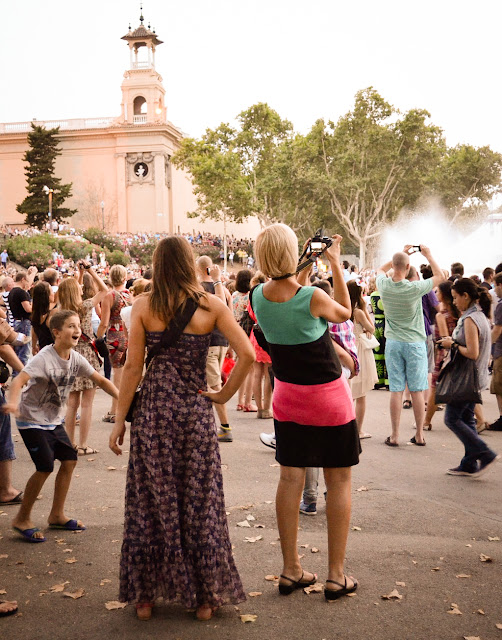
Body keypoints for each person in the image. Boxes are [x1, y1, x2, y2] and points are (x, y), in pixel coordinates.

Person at [109, 236, 255, 621]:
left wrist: (119, 421)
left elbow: (133, 368)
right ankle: (204, 599)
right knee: (199, 501)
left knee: (150, 500)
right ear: (191, 264)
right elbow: (249, 354)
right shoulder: (211, 305)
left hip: (154, 412)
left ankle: (145, 597)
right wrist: (222, 395)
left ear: (157, 265)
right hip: (193, 411)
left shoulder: (143, 306)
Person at [252, 224, 360, 601]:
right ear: (291, 252)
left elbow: (287, 293)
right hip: (327, 398)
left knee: (289, 481)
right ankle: (336, 575)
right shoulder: (313, 296)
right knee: (339, 483)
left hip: (288, 398)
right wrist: (334, 263)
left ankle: (291, 568)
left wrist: (306, 264)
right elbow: (344, 313)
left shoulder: (256, 297)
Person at [3, 310, 118, 542]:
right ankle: (21, 518)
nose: (77, 331)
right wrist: (13, 403)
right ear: (56, 332)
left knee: (69, 460)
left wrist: (124, 403)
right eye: (70, 326)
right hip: (31, 420)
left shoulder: (76, 358)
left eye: (78, 326)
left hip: (52, 421)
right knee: (45, 466)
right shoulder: (44, 357)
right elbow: (19, 380)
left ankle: (56, 515)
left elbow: (102, 380)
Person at [376, 246, 443, 447]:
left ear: (394, 266)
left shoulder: (384, 285)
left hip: (394, 342)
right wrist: (428, 254)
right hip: (415, 344)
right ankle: (420, 434)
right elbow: (440, 276)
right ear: (408, 267)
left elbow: (380, 269)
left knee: (396, 389)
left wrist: (399, 252)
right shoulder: (414, 288)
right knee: (416, 390)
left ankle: (395, 435)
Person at [437, 279, 499, 476]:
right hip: (475, 377)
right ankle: (469, 463)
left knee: (452, 419)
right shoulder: (480, 315)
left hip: (467, 378)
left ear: (466, 296)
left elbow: (472, 352)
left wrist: (452, 344)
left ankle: (485, 453)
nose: (454, 302)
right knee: (466, 418)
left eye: (456, 298)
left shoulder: (471, 319)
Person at [59, 263, 109, 454]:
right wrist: (89, 271)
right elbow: (104, 290)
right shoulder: (86, 305)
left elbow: (73, 292)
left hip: (69, 356)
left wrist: (78, 275)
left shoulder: (62, 310)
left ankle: (70, 444)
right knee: (87, 404)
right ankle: (83, 444)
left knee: (72, 404)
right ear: (77, 291)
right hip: (87, 355)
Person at [196, 256, 235, 441]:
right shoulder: (225, 291)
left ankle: (225, 426)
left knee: (214, 385)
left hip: (209, 343)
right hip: (221, 342)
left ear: (200, 269)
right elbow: (231, 317)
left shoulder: (200, 290)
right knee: (209, 382)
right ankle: (206, 423)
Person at [97, 265, 131, 423]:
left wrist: (97, 337)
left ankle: (115, 410)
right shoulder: (129, 294)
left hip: (114, 336)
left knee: (117, 375)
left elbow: (104, 322)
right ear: (125, 277)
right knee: (126, 374)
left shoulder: (109, 296)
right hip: (128, 335)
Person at [423, 281, 458, 430]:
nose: (435, 294)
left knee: (435, 389)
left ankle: (426, 422)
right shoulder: (458, 313)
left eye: (437, 292)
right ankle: (475, 418)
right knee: (460, 387)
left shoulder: (441, 315)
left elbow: (444, 337)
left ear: (443, 295)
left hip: (444, 356)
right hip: (459, 353)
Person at [347, 280, 378, 439]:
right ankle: (358, 430)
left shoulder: (346, 309)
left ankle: (347, 427)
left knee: (350, 392)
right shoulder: (359, 311)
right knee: (361, 395)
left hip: (351, 348)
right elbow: (372, 327)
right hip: (361, 350)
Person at [231, 269, 255, 412]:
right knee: (250, 370)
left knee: (240, 368)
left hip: (235, 333)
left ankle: (239, 401)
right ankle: (247, 402)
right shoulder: (251, 296)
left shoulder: (234, 295)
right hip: (248, 333)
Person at [8, 267, 38, 370]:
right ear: (23, 280)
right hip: (24, 323)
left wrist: (31, 273)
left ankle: (16, 375)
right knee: (24, 352)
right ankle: (21, 376)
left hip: (16, 322)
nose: (28, 284)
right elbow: (28, 309)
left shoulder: (12, 292)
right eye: (27, 280)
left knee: (18, 350)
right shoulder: (21, 292)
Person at [488, 272, 502, 431]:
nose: (495, 290)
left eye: (496, 286)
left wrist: (486, 348)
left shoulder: (501, 306)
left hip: (501, 351)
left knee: (499, 387)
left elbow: (497, 330)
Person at [369, 282, 388, 389]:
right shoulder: (385, 294)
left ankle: (378, 379)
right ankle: (388, 380)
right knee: (387, 353)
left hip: (376, 325)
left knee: (378, 353)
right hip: (385, 325)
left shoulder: (372, 295)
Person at [30, 281, 56, 354]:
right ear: (47, 295)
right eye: (52, 291)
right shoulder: (52, 313)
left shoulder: (36, 314)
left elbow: (34, 332)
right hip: (53, 352)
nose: (53, 293)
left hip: (43, 350)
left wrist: (34, 346)